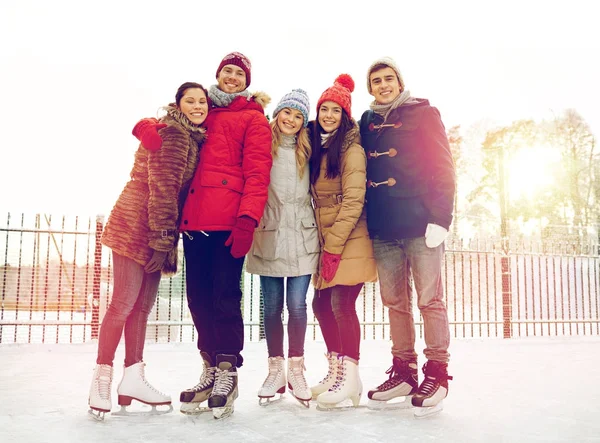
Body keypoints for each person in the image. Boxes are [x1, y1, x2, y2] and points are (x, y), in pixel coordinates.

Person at [133, 52, 272, 419]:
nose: (231, 77)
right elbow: (169, 117)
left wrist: (247, 219)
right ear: (218, 74)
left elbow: (258, 173)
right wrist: (148, 127)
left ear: (246, 81)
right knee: (197, 298)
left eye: (239, 73)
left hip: (228, 221)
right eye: (226, 70)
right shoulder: (204, 108)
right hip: (194, 220)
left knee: (226, 295)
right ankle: (209, 367)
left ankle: (228, 371)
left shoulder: (254, 120)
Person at [88, 82, 209, 420]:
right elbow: (164, 186)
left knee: (141, 308)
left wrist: (164, 237)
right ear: (179, 104)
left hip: (157, 226)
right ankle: (102, 377)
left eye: (202, 102)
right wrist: (161, 237)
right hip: (136, 222)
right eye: (191, 101)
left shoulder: (192, 137)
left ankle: (133, 379)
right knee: (124, 301)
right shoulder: (174, 134)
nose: (198, 106)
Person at [359, 57, 456, 417]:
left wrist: (440, 218)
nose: (383, 85)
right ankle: (403, 372)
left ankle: (437, 373)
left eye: (388, 79)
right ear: (370, 88)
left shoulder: (423, 112)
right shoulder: (367, 121)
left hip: (420, 224)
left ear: (399, 82)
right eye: (376, 81)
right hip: (384, 227)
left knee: (430, 300)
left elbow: (443, 165)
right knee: (394, 302)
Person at [307, 74, 378, 410]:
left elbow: (353, 202)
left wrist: (333, 246)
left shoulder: (351, 150)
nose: (329, 115)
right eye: (325, 108)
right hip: (328, 238)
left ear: (345, 115)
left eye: (337, 110)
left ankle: (350, 376)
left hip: (350, 237)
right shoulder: (317, 146)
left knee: (341, 306)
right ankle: (337, 370)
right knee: (320, 305)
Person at [246, 89, 319, 408]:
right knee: (272, 307)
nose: (290, 119)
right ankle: (275, 369)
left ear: (304, 122)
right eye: (286, 112)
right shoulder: (263, 142)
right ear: (277, 114)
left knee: (298, 305)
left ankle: (296, 369)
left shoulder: (308, 148)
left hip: (303, 234)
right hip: (270, 232)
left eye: (298, 115)